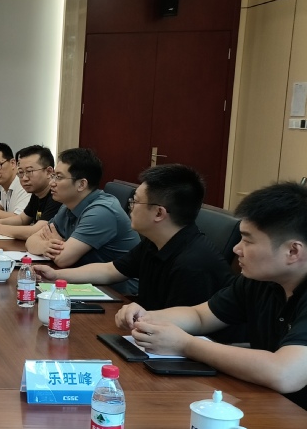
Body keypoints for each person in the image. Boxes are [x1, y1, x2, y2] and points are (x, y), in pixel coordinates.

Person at [124, 182, 307, 410]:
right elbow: (201, 316)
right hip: (270, 403)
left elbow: (285, 374)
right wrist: (148, 317)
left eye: (248, 241)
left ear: (293, 251)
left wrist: (186, 345)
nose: (237, 249)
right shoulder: (260, 281)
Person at [33, 164, 233, 309]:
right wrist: (57, 276)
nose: (130, 208)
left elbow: (184, 326)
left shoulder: (194, 263)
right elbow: (110, 270)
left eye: (135, 202)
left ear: (159, 213)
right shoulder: (155, 242)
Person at [25, 147, 140, 272]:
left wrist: (57, 243)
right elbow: (31, 240)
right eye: (53, 176)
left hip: (115, 284)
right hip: (82, 278)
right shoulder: (67, 205)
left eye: (59, 177)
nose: (51, 183)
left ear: (81, 184)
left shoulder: (101, 212)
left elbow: (62, 260)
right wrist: (46, 246)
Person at [0, 145, 60, 240]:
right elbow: (21, 219)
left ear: (49, 172)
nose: (24, 178)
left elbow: (37, 231)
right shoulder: (37, 193)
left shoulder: (57, 195)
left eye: (29, 171)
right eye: (21, 172)